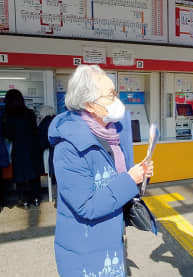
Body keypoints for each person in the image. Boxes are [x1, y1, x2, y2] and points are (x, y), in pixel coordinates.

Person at [48, 65, 155, 276]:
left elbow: (120, 184)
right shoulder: (68, 146)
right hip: (85, 249)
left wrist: (140, 177)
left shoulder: (114, 133)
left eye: (116, 93)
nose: (116, 100)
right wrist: (128, 179)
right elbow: (86, 206)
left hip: (112, 238)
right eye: (110, 96)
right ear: (89, 105)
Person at [2, 89, 42, 208]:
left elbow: (8, 135)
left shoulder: (8, 115)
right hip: (32, 147)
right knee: (34, 174)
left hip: (18, 149)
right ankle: (36, 198)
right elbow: (35, 130)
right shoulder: (29, 113)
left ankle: (24, 200)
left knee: (20, 176)